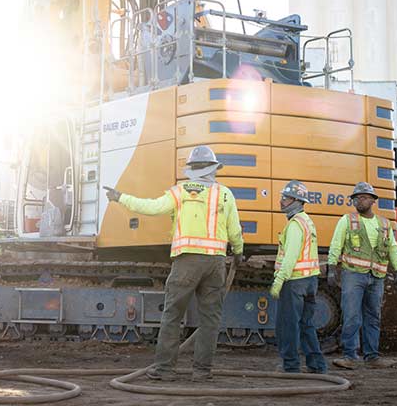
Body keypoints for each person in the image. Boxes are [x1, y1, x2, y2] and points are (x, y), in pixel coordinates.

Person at [104, 145, 244, 382]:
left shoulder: (179, 192)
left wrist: (120, 197)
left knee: (172, 316)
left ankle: (165, 370)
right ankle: (202, 372)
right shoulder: (225, 194)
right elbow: (235, 230)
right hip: (215, 264)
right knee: (210, 320)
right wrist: (238, 252)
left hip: (186, 262)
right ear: (213, 168)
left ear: (191, 169)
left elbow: (152, 207)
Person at [327, 182, 397, 370]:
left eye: (363, 197)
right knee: (352, 316)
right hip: (353, 274)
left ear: (372, 201)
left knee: (373, 317)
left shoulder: (384, 224)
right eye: (356, 198)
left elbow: (392, 247)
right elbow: (336, 244)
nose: (359, 201)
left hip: (376, 276)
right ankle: (350, 356)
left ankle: (372, 356)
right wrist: (331, 267)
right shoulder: (347, 220)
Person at [270, 180, 327, 374]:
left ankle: (291, 365)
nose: (281, 201)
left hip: (294, 281)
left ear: (296, 200)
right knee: (306, 324)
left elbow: (291, 257)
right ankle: (317, 365)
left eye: (285, 198)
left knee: (288, 325)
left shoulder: (295, 225)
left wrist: (279, 281)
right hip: (310, 280)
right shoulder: (307, 221)